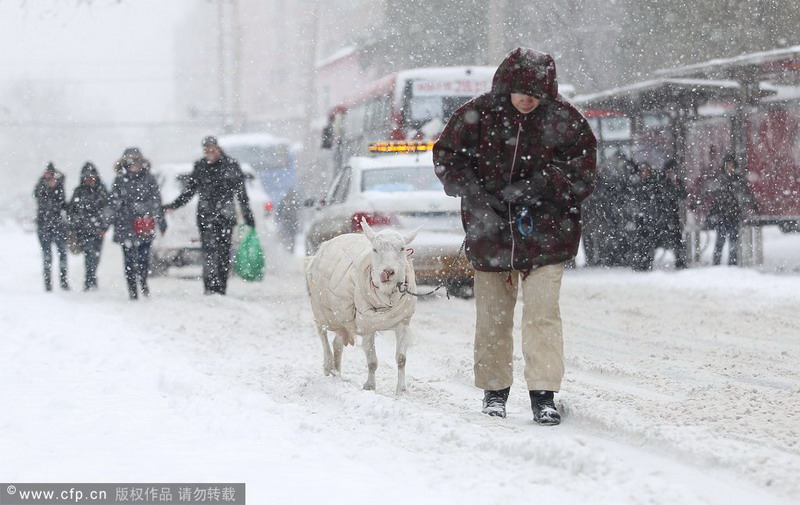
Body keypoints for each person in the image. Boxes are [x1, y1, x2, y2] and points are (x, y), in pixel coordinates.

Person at [433, 48, 597, 425]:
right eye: (521, 92)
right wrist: (476, 194)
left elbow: (583, 171)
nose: (527, 100)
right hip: (489, 234)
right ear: (506, 86)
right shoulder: (476, 116)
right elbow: (447, 157)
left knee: (542, 315)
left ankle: (544, 395)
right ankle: (494, 392)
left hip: (548, 237)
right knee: (492, 318)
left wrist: (541, 185)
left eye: (536, 94)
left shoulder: (566, 121)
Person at [163, 136, 256, 295]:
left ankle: (221, 288)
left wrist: (247, 215)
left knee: (223, 253)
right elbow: (189, 191)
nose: (209, 154)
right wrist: (173, 205)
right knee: (209, 252)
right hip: (206, 216)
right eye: (206, 151)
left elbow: (242, 194)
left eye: (212, 150)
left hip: (225, 217)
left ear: (218, 149)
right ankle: (209, 287)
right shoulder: (200, 166)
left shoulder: (231, 166)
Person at [107, 148, 167, 299]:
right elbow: (113, 203)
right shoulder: (119, 180)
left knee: (143, 258)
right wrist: (105, 223)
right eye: (130, 163)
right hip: (125, 225)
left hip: (143, 224)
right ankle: (132, 289)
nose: (133, 165)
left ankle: (143, 282)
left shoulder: (149, 179)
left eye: (136, 162)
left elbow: (156, 200)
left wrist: (160, 220)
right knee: (128, 259)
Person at [704, 155, 758, 266]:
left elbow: (746, 194)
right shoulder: (722, 180)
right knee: (721, 241)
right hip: (723, 215)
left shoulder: (735, 180)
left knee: (732, 241)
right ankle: (718, 263)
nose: (730, 168)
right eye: (728, 165)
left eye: (731, 165)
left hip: (733, 215)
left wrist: (753, 204)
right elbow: (707, 192)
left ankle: (731, 263)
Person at [68, 162, 110, 290]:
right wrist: (76, 224)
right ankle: (89, 279)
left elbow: (108, 210)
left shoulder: (102, 190)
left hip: (98, 230)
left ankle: (91, 277)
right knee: (89, 254)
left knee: (96, 256)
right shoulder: (79, 192)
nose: (89, 179)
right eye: (87, 177)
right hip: (84, 230)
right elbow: (72, 210)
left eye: (91, 177)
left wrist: (104, 227)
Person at [33, 162, 70, 291]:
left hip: (58, 226)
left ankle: (63, 281)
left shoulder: (59, 186)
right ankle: (48, 283)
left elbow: (62, 204)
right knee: (47, 256)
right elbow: (38, 196)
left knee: (62, 254)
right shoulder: (40, 186)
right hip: (44, 226)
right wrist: (47, 186)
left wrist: (59, 182)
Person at [656, 159, 688, 269]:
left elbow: (683, 195)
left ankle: (680, 260)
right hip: (662, 214)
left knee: (677, 239)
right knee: (660, 238)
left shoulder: (677, 182)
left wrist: (677, 186)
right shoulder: (661, 181)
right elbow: (662, 195)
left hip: (673, 214)